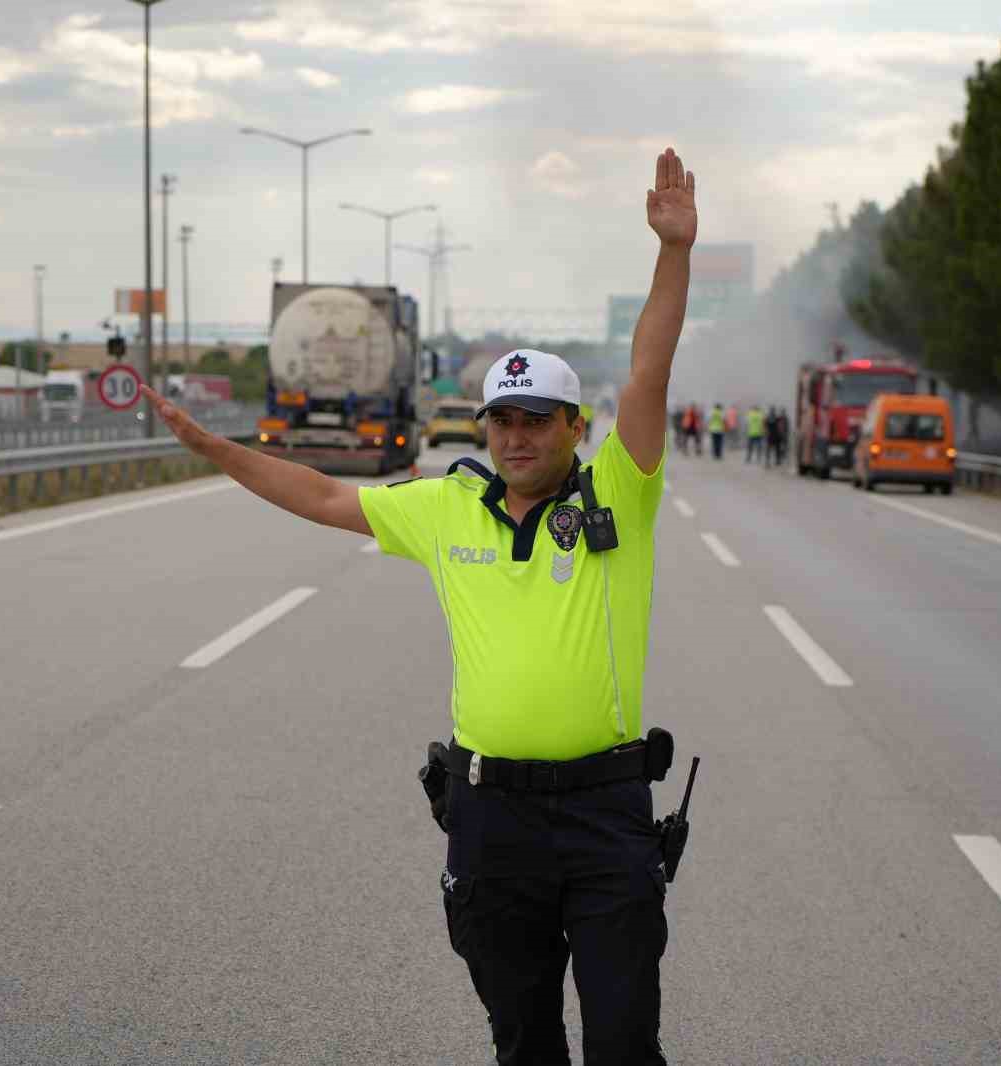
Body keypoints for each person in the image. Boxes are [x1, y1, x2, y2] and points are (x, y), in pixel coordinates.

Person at [143, 146, 698, 1066]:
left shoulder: (619, 492)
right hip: (490, 820)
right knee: (520, 1040)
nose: (516, 437)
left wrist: (672, 252)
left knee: (625, 1041)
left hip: (607, 813)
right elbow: (322, 495)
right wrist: (220, 451)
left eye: (536, 420)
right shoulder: (446, 507)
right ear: (486, 427)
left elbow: (647, 371)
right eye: (502, 420)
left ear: (574, 428)